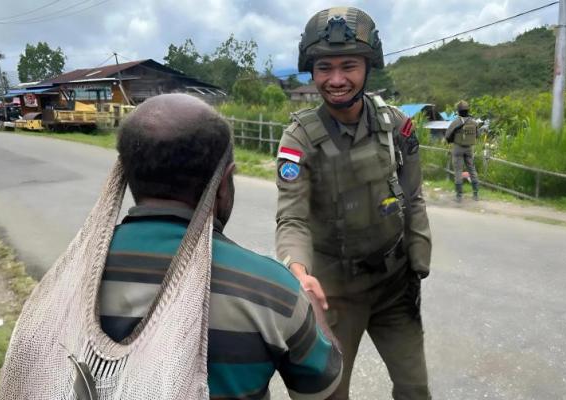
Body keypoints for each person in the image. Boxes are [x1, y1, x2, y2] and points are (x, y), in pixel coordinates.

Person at [99, 94, 342, 399]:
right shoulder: (273, 290)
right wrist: (311, 307)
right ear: (224, 182)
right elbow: (323, 388)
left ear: (128, 174)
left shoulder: (77, 274)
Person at [275, 7, 432, 400]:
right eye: (325, 67)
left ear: (368, 68)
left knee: (415, 389)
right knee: (326, 394)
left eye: (349, 66)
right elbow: (292, 217)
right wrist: (298, 272)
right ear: (311, 72)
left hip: (394, 288)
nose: (337, 79)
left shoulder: (395, 124)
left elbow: (413, 195)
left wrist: (418, 260)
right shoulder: (299, 140)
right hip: (335, 294)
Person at [445, 100, 480, 202]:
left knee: (458, 171)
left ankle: (459, 196)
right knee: (472, 169)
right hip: (469, 148)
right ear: (468, 110)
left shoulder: (456, 122)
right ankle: (476, 194)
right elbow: (477, 135)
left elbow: (447, 135)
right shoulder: (474, 122)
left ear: (458, 111)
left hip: (458, 148)